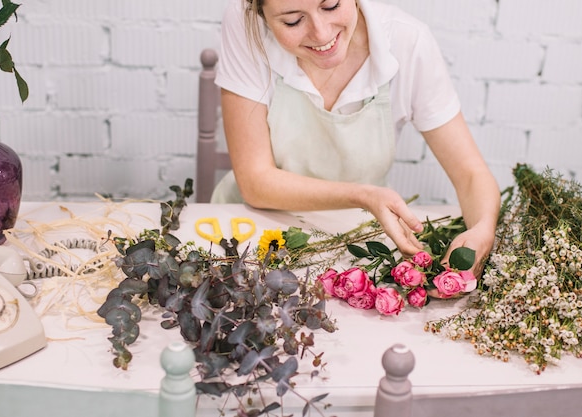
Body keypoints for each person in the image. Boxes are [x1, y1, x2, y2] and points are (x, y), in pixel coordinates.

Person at [212, 0, 501, 276]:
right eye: (293, 20)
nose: (321, 33)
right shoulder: (245, 21)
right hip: (248, 230)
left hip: (353, 241)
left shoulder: (407, 42)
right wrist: (364, 195)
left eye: (331, 5)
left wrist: (482, 229)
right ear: (261, 13)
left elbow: (470, 174)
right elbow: (255, 182)